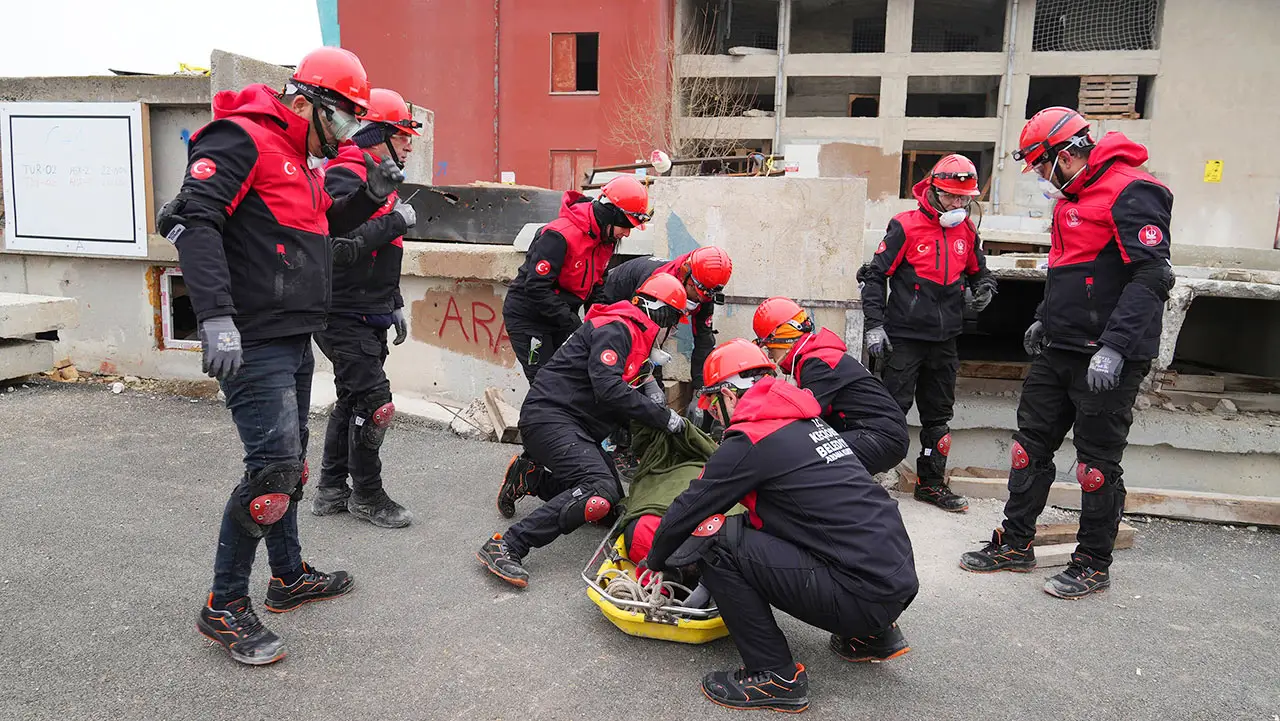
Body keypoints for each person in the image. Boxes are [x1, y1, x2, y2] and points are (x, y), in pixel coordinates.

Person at [161, 47, 406, 665]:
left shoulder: (301, 162)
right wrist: (213, 316)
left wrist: (369, 197)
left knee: (289, 468)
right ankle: (223, 607)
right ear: (307, 103)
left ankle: (288, 577)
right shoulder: (240, 138)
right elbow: (194, 219)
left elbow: (320, 235)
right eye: (345, 121)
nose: (347, 136)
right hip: (252, 336)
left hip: (293, 335)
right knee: (270, 473)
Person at [960, 107, 1174, 600]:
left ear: (1066, 153)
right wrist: (1043, 316)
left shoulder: (1133, 190)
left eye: (1040, 164)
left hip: (1106, 358)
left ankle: (1093, 563)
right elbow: (1071, 271)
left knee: (1095, 466)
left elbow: (1152, 276)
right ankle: (1015, 545)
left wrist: (1115, 349)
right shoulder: (1069, 199)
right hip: (1060, 348)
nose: (1037, 175)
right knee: (1028, 450)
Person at [645, 340, 918, 713]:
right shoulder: (806, 421)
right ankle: (872, 637)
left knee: (718, 540)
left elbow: (688, 510)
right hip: (892, 578)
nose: (714, 414)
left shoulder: (751, 440)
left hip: (861, 593)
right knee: (760, 524)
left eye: (711, 404)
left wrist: (655, 561)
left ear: (728, 394)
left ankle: (774, 674)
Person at [479, 274, 690, 588]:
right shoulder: (618, 330)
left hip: (571, 423)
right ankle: (508, 544)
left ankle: (531, 477)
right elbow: (609, 390)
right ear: (660, 314)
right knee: (599, 492)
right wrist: (664, 418)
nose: (673, 332)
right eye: (673, 323)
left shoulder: (632, 337)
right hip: (550, 418)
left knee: (609, 506)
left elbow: (621, 397)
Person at [860, 154, 997, 513]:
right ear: (933, 191)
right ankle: (865, 481)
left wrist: (984, 288)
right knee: (890, 411)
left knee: (939, 416)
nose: (958, 204)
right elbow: (875, 276)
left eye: (964, 198)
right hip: (904, 337)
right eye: (952, 196)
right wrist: (874, 325)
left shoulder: (966, 230)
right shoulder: (904, 226)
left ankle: (931, 484)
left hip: (945, 339)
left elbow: (979, 271)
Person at [311, 88, 422, 529]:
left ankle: (331, 490)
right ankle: (368, 498)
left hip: (366, 310)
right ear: (377, 134)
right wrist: (396, 221)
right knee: (375, 403)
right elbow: (337, 249)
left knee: (350, 399)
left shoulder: (379, 175)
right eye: (402, 134)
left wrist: (393, 303)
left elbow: (381, 255)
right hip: (342, 314)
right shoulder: (344, 175)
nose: (411, 143)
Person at [503, 175, 652, 384]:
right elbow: (537, 288)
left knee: (574, 380)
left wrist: (600, 323)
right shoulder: (559, 235)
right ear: (610, 215)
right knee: (545, 383)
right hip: (530, 318)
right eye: (626, 226)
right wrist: (574, 324)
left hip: (562, 316)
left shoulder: (605, 240)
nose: (627, 234)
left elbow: (598, 285)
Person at [752, 297, 909, 475]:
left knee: (805, 458)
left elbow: (800, 415)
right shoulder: (817, 357)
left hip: (880, 436)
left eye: (770, 349)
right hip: (876, 433)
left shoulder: (818, 363)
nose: (771, 356)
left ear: (783, 340)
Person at [590, 245, 734, 399]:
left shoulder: (705, 292)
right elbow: (644, 338)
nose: (699, 300)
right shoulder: (657, 283)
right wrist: (652, 384)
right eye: (697, 294)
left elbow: (703, 341)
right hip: (609, 296)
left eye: (705, 297)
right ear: (686, 274)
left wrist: (701, 391)